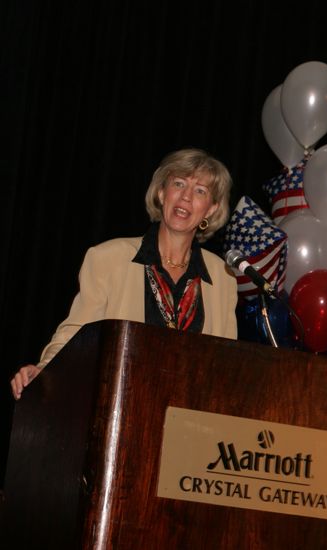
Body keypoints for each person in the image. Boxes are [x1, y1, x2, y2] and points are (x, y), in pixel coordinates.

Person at [10, 148, 238, 400]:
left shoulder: (222, 276)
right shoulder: (109, 257)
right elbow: (76, 332)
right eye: (179, 183)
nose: (186, 196)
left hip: (191, 415)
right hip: (124, 405)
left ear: (211, 209)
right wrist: (44, 370)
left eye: (200, 191)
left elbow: (226, 361)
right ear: (162, 193)